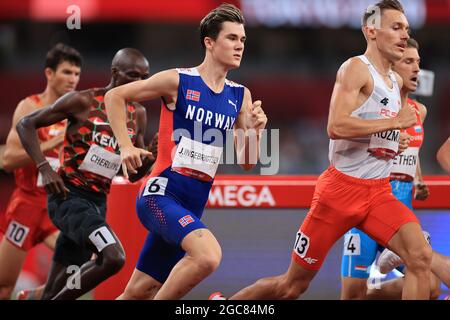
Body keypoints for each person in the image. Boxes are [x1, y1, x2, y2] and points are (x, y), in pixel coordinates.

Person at [213, 0, 432, 300]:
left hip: (379, 192)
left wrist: (394, 141)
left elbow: (375, 132)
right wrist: (394, 123)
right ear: (371, 31)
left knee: (420, 257)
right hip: (339, 193)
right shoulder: (356, 69)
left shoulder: (394, 81)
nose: (404, 35)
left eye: (406, 29)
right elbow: (337, 126)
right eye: (396, 28)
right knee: (292, 286)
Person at [104, 3, 267, 300]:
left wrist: (255, 131)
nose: (239, 46)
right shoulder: (178, 81)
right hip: (160, 196)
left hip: (192, 206)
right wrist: (126, 146)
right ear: (210, 42)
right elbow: (115, 96)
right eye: (231, 38)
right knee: (208, 256)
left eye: (242, 40)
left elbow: (246, 161)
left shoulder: (240, 96)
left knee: (139, 291)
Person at [16, 48, 156, 300]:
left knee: (53, 290)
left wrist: (150, 157)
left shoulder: (139, 114)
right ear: (115, 73)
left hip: (98, 204)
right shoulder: (83, 101)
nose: (139, 83)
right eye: (133, 75)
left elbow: (132, 175)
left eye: (144, 77)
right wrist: (44, 168)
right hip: (68, 198)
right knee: (113, 257)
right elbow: (25, 124)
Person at [340, 38, 440, 300]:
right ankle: (368, 290)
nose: (417, 68)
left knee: (430, 286)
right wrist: (389, 140)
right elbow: (346, 141)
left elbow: (412, 150)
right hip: (367, 209)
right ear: (392, 69)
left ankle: (374, 288)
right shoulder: (374, 109)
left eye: (418, 62)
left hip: (401, 210)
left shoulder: (421, 111)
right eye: (408, 62)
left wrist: (417, 178)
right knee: (352, 295)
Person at [0, 44, 82, 300]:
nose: (73, 79)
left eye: (77, 74)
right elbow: (8, 160)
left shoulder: (76, 116)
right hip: (26, 206)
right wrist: (52, 143)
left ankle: (31, 297)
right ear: (49, 73)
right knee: (3, 285)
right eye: (67, 72)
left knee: (83, 267)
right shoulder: (29, 108)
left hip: (57, 208)